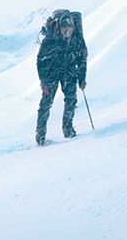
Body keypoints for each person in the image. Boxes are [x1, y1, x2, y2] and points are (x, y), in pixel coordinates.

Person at [35, 11, 88, 145]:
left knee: (71, 100)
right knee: (46, 103)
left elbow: (82, 60)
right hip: (51, 73)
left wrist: (82, 78)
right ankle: (40, 136)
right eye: (65, 28)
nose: (67, 31)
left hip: (69, 72)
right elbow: (40, 61)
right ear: (59, 27)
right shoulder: (50, 39)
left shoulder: (77, 39)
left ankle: (68, 130)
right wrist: (44, 81)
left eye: (69, 28)